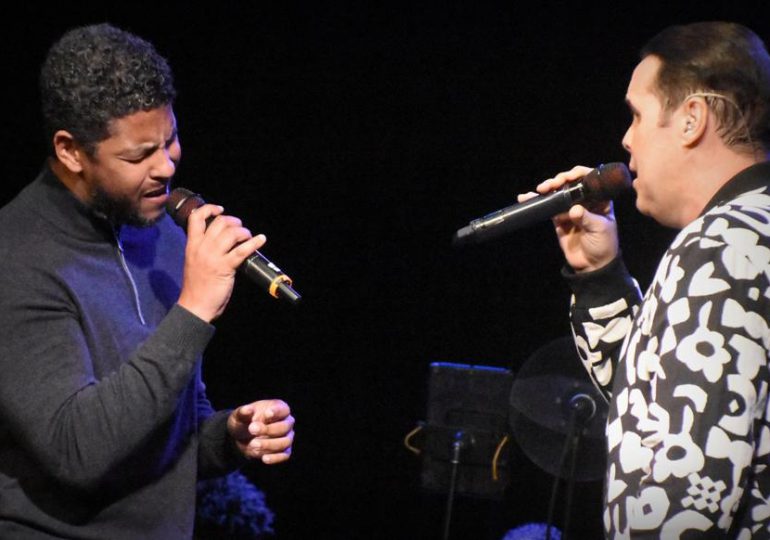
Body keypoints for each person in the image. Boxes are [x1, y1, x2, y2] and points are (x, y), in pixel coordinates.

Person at [0, 23, 295, 539]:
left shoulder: (158, 232)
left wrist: (228, 437)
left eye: (171, 138)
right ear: (71, 151)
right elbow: (79, 452)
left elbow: (164, 433)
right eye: (139, 155)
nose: (166, 165)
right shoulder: (16, 257)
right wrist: (194, 310)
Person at [526, 21, 770, 537]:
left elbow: (678, 502)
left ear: (691, 119)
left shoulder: (718, 248)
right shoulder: (753, 232)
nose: (625, 139)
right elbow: (668, 413)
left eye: (637, 115)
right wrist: (599, 278)